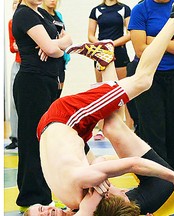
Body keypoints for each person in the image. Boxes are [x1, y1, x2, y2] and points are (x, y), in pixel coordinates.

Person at [25, 6, 174, 216]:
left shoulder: (81, 195)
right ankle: (106, 59)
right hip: (61, 132)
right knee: (113, 126)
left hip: (66, 120)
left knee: (142, 81)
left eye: (41, 210)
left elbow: (128, 164)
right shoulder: (78, 198)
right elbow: (109, 163)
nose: (48, 210)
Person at [12, 0, 72, 212]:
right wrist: (55, 44)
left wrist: (55, 43)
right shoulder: (24, 14)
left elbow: (68, 39)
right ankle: (32, 196)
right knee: (32, 140)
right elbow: (53, 50)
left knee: (46, 139)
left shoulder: (44, 15)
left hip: (47, 81)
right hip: (32, 83)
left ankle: (42, 192)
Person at [127, 0, 174, 171]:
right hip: (149, 76)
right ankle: (157, 178)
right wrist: (173, 40)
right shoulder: (140, 10)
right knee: (152, 131)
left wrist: (154, 40)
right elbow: (140, 49)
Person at [88, 0, 133, 140]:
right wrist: (101, 45)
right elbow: (90, 35)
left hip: (119, 53)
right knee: (102, 92)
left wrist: (112, 44)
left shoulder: (124, 9)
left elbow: (130, 33)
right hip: (101, 54)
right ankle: (101, 129)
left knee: (124, 91)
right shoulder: (96, 10)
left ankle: (129, 127)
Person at [42, 0, 71, 98]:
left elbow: (64, 36)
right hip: (48, 58)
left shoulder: (58, 15)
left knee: (57, 94)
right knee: (49, 94)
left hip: (61, 59)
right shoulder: (41, 14)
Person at [5, 0, 21, 150]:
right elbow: (12, 46)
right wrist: (17, 46)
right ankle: (14, 136)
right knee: (14, 101)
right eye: (14, 3)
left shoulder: (33, 19)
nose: (17, 5)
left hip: (31, 65)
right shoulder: (11, 23)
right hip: (18, 64)